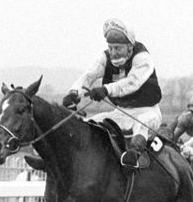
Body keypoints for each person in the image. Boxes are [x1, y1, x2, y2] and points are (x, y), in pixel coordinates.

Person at [63, 18, 163, 168]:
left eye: (118, 48)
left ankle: (133, 155)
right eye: (111, 48)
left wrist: (106, 89)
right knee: (92, 123)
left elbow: (132, 83)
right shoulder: (105, 57)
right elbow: (89, 75)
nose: (113, 53)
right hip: (121, 112)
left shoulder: (143, 58)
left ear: (130, 46)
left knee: (140, 125)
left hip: (148, 112)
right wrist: (74, 92)